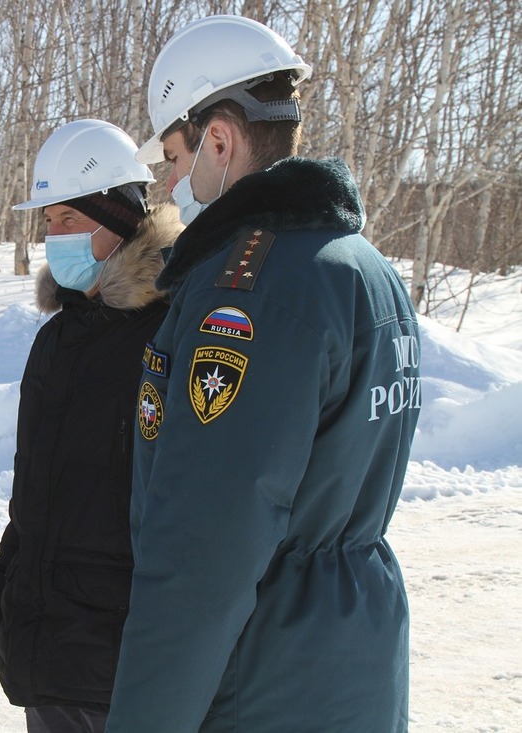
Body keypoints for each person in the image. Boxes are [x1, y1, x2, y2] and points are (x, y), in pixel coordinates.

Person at [106, 15, 420, 732]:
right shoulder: (366, 271)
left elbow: (205, 554)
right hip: (352, 667)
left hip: (262, 679)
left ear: (220, 139)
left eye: (178, 161)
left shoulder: (248, 292)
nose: (173, 185)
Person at [0, 119, 182, 733]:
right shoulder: (57, 339)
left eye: (68, 218)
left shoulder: (167, 334)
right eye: (47, 221)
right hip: (50, 649)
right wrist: (4, 600)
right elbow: (35, 497)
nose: (52, 236)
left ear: (116, 219)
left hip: (123, 659)